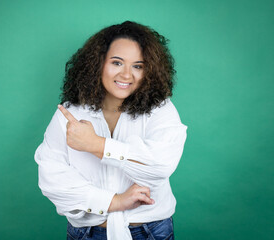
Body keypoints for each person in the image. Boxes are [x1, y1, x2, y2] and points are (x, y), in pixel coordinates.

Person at [35, 21, 187, 240]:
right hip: (86, 233)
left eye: (138, 66)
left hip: (149, 231)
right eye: (117, 62)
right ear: (98, 64)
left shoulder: (160, 109)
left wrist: (97, 145)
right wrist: (114, 201)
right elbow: (52, 179)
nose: (127, 75)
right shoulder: (71, 113)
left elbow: (159, 167)